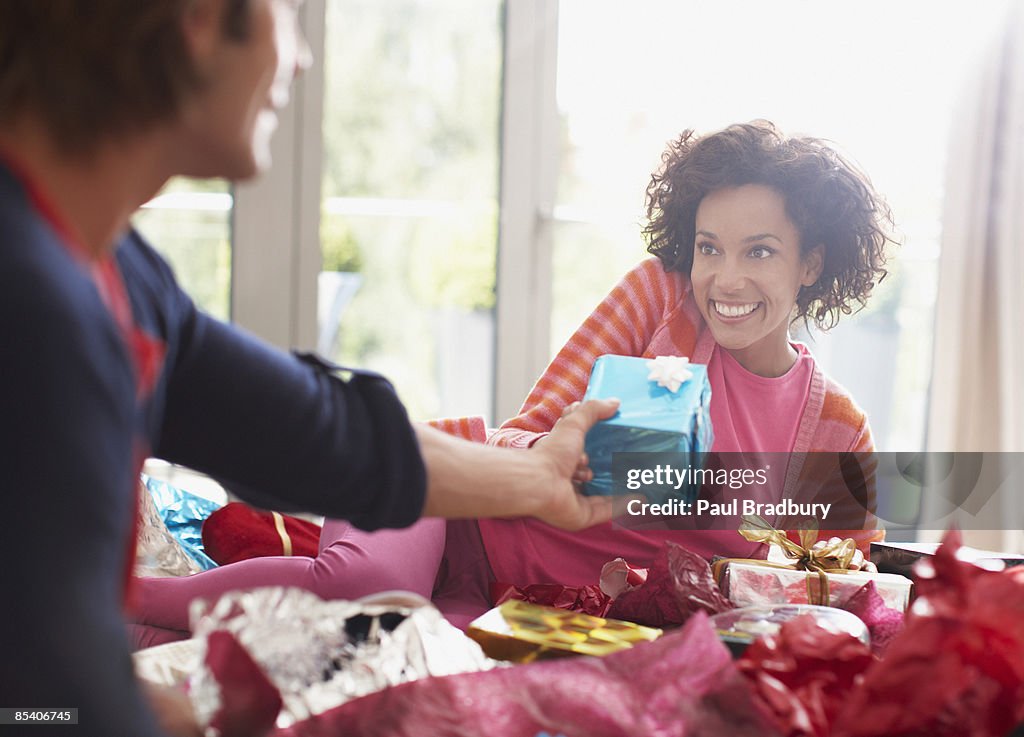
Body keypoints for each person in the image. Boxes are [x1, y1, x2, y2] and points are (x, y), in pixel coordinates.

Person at [0, 3, 620, 736]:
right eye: (286, 15)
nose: (299, 57)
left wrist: (543, 478)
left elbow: (321, 434)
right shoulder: (37, 306)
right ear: (200, 17)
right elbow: (46, 698)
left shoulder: (119, 276)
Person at [435, 121, 896, 623]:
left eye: (759, 251)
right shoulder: (659, 298)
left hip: (608, 633)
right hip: (490, 563)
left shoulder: (840, 428)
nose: (726, 280)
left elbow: (849, 599)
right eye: (709, 248)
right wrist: (560, 459)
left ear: (811, 264)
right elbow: (520, 439)